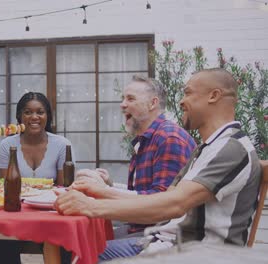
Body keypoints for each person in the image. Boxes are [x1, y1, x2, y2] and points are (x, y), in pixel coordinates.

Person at [55, 68, 262, 261]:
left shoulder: (230, 148)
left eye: (188, 93)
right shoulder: (208, 147)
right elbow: (165, 197)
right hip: (167, 241)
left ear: (214, 96)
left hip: (196, 253)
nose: (181, 101)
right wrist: (102, 191)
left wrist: (92, 205)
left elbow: (174, 205)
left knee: (78, 252)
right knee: (76, 247)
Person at [76, 76, 196, 237]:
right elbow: (143, 193)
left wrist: (103, 190)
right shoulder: (147, 138)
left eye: (130, 99)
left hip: (160, 236)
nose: (122, 104)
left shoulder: (169, 138)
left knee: (83, 251)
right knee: (81, 239)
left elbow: (161, 202)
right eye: (123, 99)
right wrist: (110, 185)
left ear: (152, 103)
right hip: (139, 228)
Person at [0, 92, 74, 264]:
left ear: (47, 116)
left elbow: (64, 187)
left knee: (64, 242)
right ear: (19, 116)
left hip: (48, 214)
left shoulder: (62, 145)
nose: (34, 117)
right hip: (17, 214)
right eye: (27, 112)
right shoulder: (7, 145)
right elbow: (6, 187)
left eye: (40, 112)